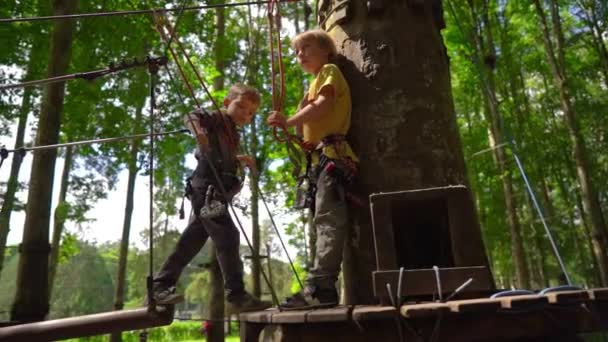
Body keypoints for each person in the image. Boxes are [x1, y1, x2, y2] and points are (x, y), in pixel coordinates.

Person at [152, 84, 271, 313]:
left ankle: (160, 286)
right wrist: (198, 132)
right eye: (241, 107)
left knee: (190, 242)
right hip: (205, 190)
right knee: (228, 234)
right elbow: (191, 116)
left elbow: (221, 157)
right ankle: (236, 295)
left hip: (216, 192)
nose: (245, 114)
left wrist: (238, 159)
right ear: (227, 103)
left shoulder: (232, 132)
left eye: (250, 113)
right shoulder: (216, 119)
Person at [267, 29, 358, 310]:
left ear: (326, 50)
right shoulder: (314, 83)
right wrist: (300, 133)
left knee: (328, 219)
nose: (300, 55)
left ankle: (321, 287)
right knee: (323, 221)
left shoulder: (329, 70)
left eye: (306, 48)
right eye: (296, 51)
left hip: (333, 156)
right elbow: (312, 115)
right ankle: (321, 285)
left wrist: (290, 120)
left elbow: (325, 105)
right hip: (321, 158)